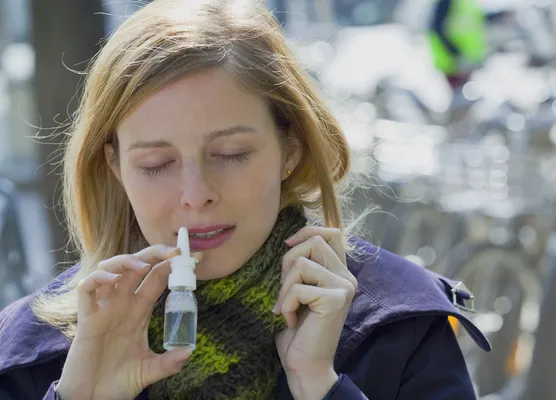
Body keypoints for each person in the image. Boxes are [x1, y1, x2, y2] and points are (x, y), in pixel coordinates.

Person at [0, 1, 490, 399]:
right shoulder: (32, 351)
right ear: (115, 167)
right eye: (156, 164)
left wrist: (322, 387)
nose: (196, 196)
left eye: (231, 154)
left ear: (289, 150)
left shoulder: (398, 330)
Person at [428, 0, 488, 90]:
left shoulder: (467, 3)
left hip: (468, 62)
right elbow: (437, 28)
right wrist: (456, 54)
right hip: (453, 64)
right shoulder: (447, 1)